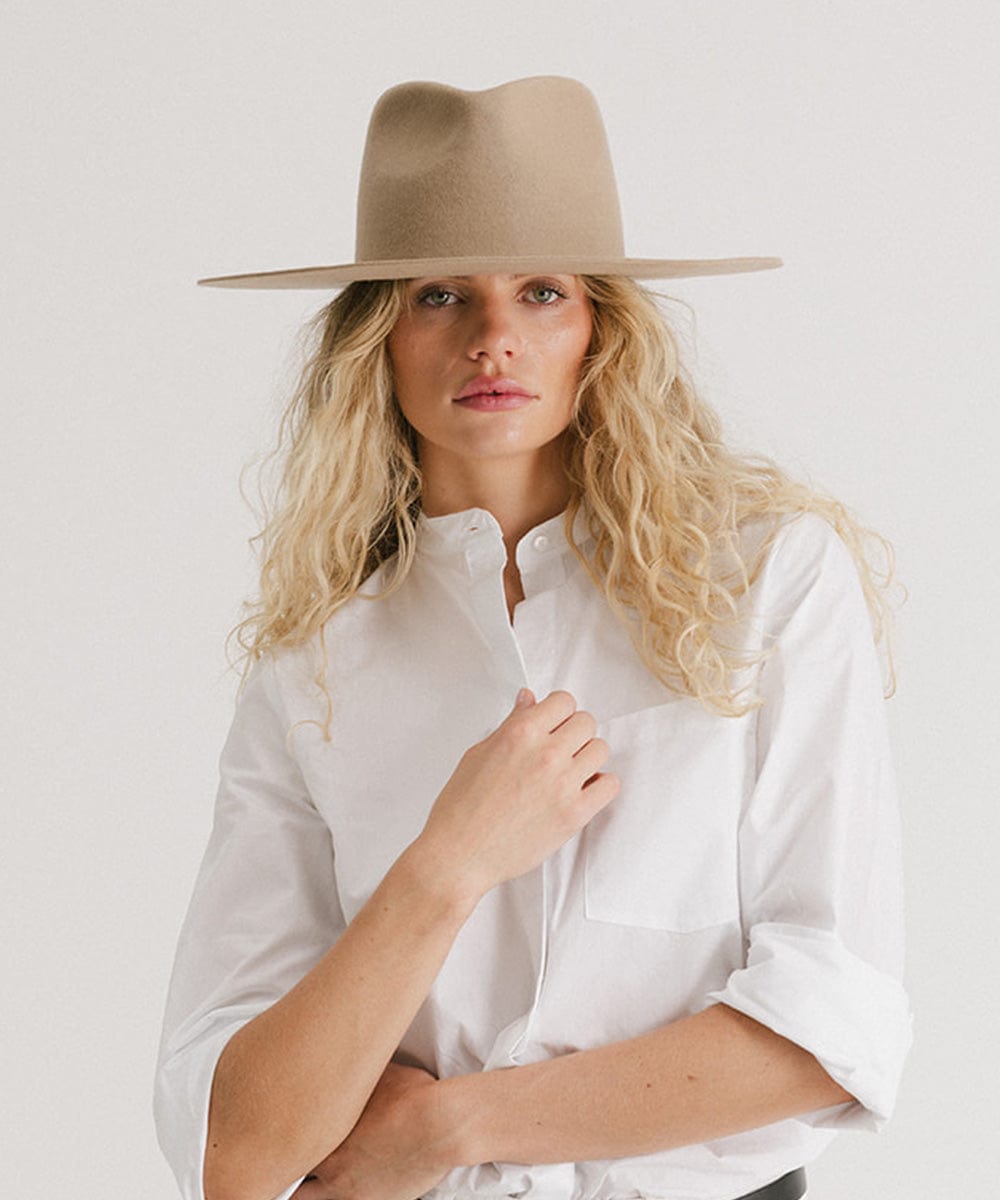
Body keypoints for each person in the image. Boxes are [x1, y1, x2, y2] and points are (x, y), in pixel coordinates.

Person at [153, 76, 913, 1200]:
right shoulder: (316, 658)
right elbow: (237, 1147)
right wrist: (448, 865)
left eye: (542, 292)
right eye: (441, 296)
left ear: (601, 328)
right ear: (378, 337)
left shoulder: (765, 580)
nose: (494, 340)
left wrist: (448, 1127)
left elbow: (830, 1025)